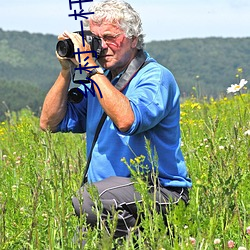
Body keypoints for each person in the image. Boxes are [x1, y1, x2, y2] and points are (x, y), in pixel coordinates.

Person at [40, 0, 192, 243]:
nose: (102, 47)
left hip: (159, 191)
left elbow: (127, 120)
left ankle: (145, 242)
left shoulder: (154, 77)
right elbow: (49, 123)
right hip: (110, 198)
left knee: (87, 200)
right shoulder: (101, 82)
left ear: (133, 39)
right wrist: (66, 71)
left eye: (110, 37)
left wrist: (92, 70)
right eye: (96, 38)